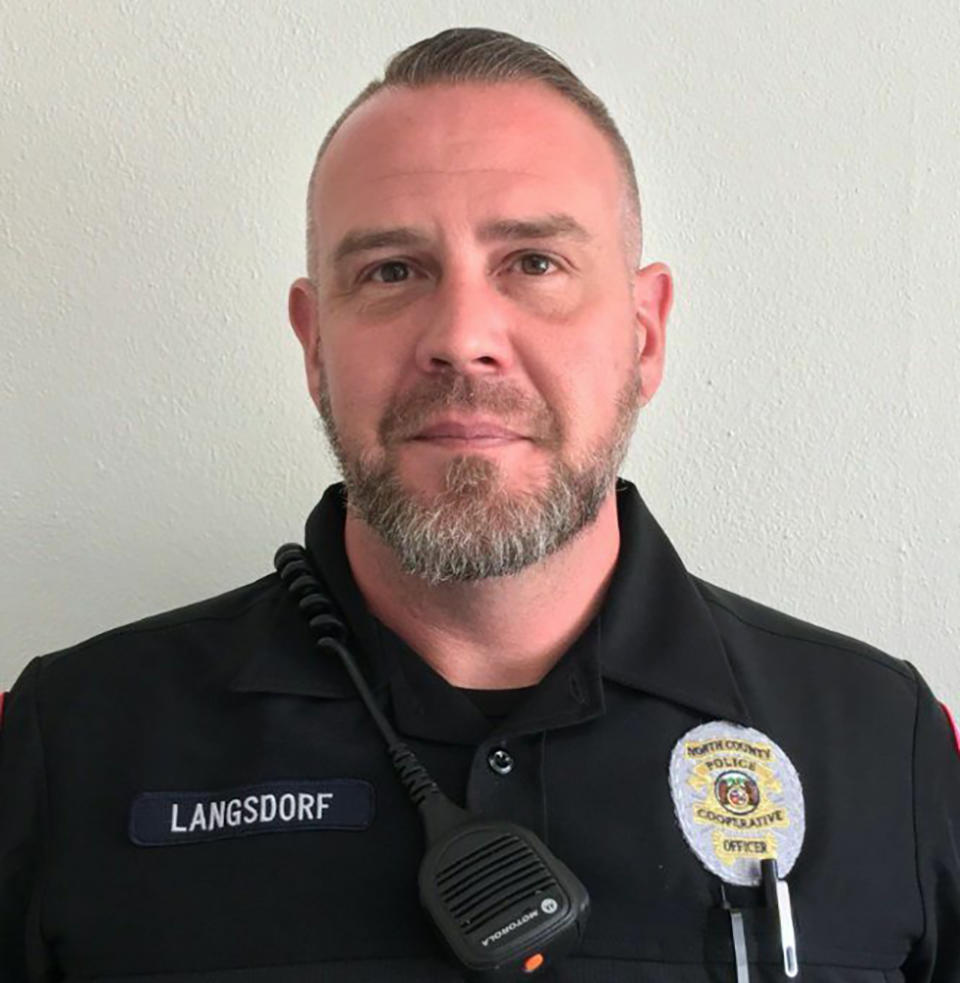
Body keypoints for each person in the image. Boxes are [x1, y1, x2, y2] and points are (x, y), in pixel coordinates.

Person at [1, 26, 957, 983]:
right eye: (391, 271)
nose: (462, 337)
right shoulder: (63, 743)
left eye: (534, 262)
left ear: (644, 332)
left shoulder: (890, 745)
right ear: (314, 346)